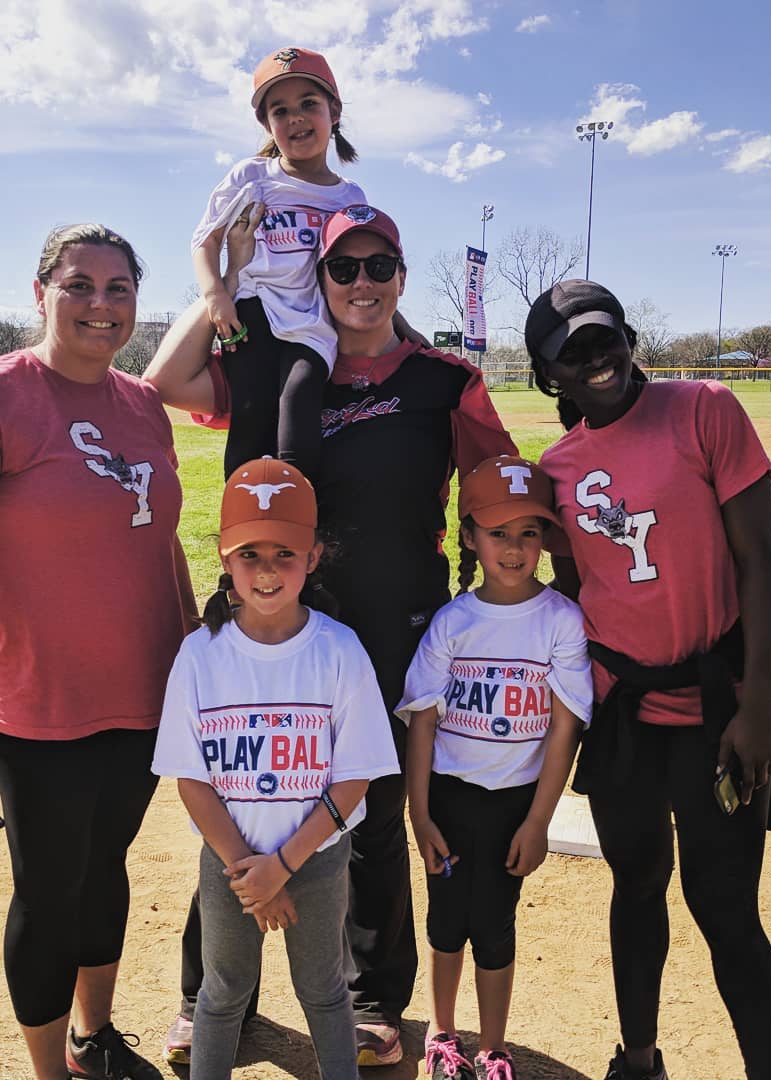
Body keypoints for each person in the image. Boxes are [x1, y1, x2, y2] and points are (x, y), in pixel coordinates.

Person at [145, 203, 517, 1067]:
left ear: (400, 275)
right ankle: (211, 1000)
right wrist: (225, 281)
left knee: (375, 811)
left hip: (394, 619)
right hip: (273, 609)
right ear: (316, 279)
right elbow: (167, 381)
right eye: (340, 268)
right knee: (244, 792)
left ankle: (372, 996)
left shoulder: (441, 380)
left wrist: (529, 595)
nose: (360, 282)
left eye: (377, 266)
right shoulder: (282, 367)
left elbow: (498, 485)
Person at [0, 224, 195, 1080]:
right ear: (42, 294)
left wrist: (192, 666)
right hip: (40, 704)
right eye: (80, 285)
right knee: (49, 888)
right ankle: (49, 1070)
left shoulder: (142, 405)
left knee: (107, 868)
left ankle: (94, 1035)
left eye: (118, 289)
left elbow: (164, 542)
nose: (101, 306)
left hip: (144, 696)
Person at [524, 280, 771, 1080]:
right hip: (625, 718)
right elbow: (573, 597)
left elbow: (760, 564)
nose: (596, 359)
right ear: (549, 375)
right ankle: (637, 1059)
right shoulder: (558, 469)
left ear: (629, 337)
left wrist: (757, 702)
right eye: (573, 351)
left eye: (605, 339)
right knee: (636, 887)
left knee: (726, 909)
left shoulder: (705, 408)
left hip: (718, 709)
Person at [152, 456, 399, 1078]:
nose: (266, 571)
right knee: (222, 993)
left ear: (315, 556)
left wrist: (282, 867)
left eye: (284, 554)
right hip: (228, 861)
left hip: (315, 860)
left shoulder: (338, 649)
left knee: (323, 991)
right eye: (249, 554)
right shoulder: (201, 653)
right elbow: (192, 779)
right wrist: (249, 873)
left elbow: (355, 777)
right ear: (224, 559)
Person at [397, 455, 592, 1080]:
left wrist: (540, 820)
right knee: (447, 919)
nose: (513, 548)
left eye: (529, 533)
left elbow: (564, 726)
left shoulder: (561, 619)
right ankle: (443, 1032)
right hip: (451, 796)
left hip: (515, 800)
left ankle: (496, 1046)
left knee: (495, 921)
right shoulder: (454, 622)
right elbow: (423, 719)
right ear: (469, 537)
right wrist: (420, 811)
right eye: (498, 532)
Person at [193, 46, 365, 481]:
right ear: (267, 123)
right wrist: (216, 295)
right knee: (251, 414)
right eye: (280, 110)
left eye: (309, 104)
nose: (295, 119)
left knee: (300, 402)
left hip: (314, 320)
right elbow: (205, 240)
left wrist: (401, 330)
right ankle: (242, 527)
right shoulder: (253, 176)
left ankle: (296, 525)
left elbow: (363, 271)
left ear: (334, 111)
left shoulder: (350, 197)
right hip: (254, 309)